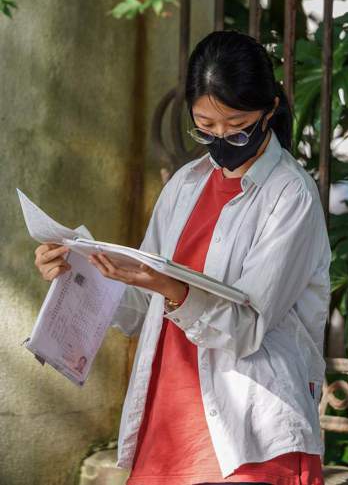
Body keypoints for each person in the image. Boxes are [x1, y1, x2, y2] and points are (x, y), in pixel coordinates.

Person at [34, 29, 332, 485]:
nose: (220, 139)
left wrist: (171, 288)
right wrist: (73, 268)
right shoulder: (187, 183)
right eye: (205, 126)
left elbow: (247, 328)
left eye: (236, 126)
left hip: (250, 433)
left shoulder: (290, 194)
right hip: (169, 421)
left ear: (270, 110)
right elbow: (138, 309)